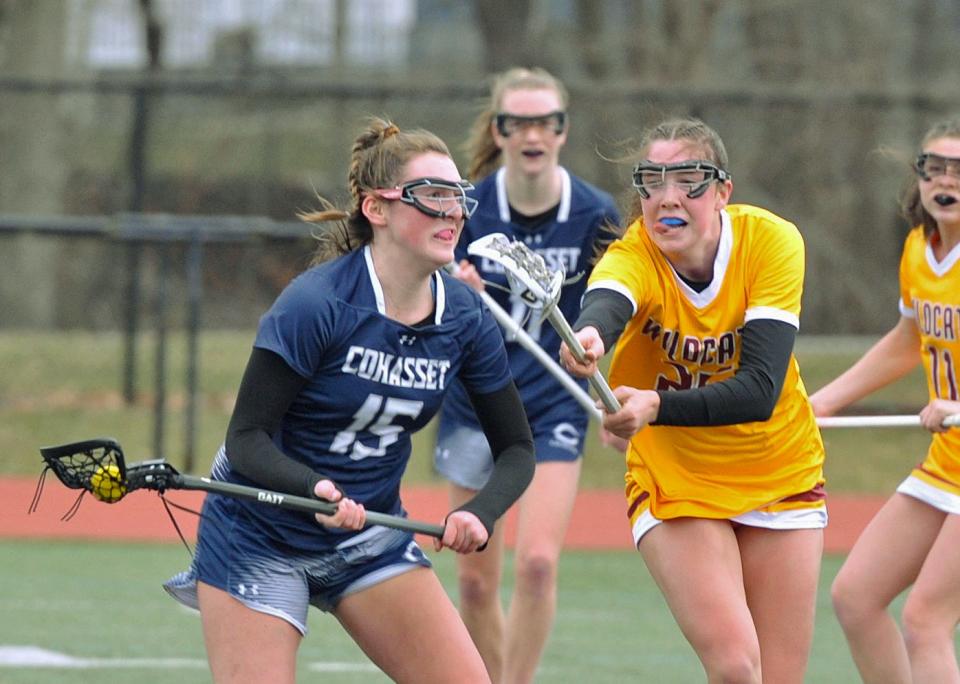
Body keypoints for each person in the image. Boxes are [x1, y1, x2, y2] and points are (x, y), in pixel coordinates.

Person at [163, 117, 536, 684]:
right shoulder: (316, 305)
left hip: (371, 534)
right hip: (260, 536)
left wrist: (476, 514)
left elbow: (516, 448)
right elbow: (245, 441)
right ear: (376, 209)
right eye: (432, 196)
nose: (453, 212)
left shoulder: (464, 315)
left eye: (459, 196)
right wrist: (315, 489)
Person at [559, 117, 827, 683]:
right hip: (676, 479)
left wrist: (655, 406)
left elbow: (759, 389)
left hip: (779, 468)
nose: (667, 198)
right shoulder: (634, 255)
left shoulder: (772, 242)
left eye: (688, 180)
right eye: (651, 182)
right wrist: (589, 339)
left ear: (724, 191)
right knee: (734, 665)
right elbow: (608, 302)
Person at [433, 66, 620, 683]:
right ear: (500, 129)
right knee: (476, 577)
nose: (533, 134)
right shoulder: (468, 207)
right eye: (520, 122)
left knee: (538, 563)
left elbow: (616, 307)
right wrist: (454, 294)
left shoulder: (594, 213)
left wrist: (608, 382)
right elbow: (423, 296)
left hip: (553, 402)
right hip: (475, 406)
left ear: (563, 131)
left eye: (547, 122)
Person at [809, 118, 960, 683]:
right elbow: (906, 341)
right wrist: (821, 402)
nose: (945, 180)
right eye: (934, 168)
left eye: (958, 169)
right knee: (856, 597)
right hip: (947, 465)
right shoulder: (921, 251)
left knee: (926, 620)